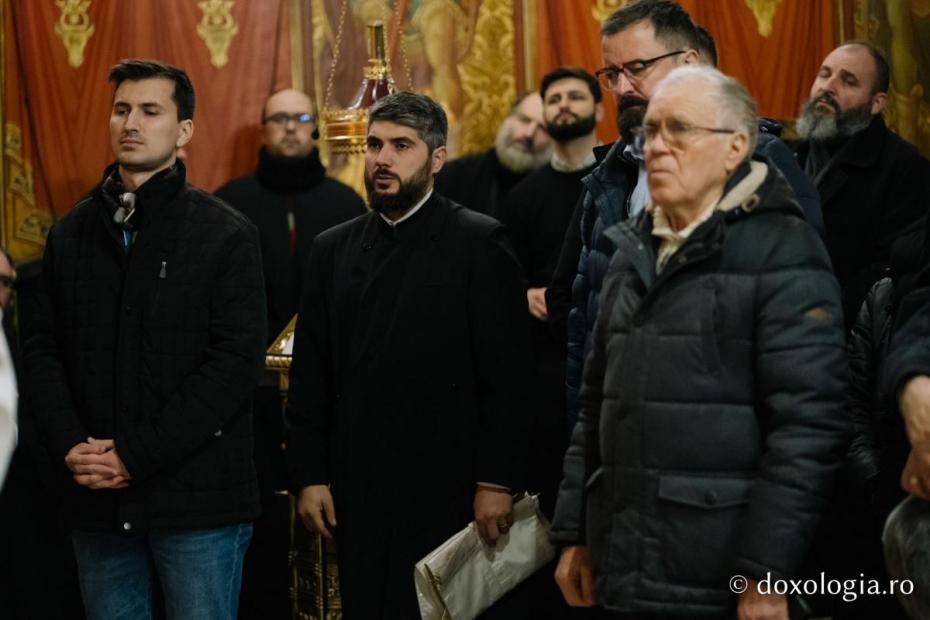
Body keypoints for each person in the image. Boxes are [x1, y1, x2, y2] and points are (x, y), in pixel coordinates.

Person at [551, 65, 849, 619]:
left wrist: (765, 572)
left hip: (720, 569)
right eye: (651, 131)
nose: (656, 146)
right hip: (623, 561)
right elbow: (594, 407)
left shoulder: (783, 249)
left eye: (679, 130)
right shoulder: (632, 250)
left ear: (735, 147)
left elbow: (809, 426)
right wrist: (574, 532)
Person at [23, 59, 267, 620]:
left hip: (198, 503)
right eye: (121, 110)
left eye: (150, 111)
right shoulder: (70, 233)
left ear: (183, 131)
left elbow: (232, 366)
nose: (130, 123)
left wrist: (134, 455)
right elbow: (40, 349)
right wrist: (71, 445)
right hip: (99, 499)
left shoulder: (226, 234)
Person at [285, 91, 533, 619]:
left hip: (450, 483)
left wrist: (496, 480)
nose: (383, 159)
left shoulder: (480, 242)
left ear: (437, 159)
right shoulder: (332, 249)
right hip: (359, 481)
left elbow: (509, 377)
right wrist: (309, 475)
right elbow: (311, 375)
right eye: (375, 145)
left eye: (402, 146)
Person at [545, 0, 823, 435]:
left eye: (637, 67)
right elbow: (582, 314)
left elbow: (801, 327)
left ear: (690, 63)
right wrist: (584, 441)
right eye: (612, 74)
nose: (623, 87)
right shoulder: (608, 175)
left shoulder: (759, 160)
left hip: (722, 436)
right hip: (620, 435)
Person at [214, 88, 364, 619]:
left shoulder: (346, 205)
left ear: (315, 128)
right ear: (263, 128)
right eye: (279, 118)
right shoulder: (229, 202)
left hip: (331, 392)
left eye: (301, 117)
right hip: (248, 397)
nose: (291, 127)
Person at [795, 41, 930, 329]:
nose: (828, 87)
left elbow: (891, 268)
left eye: (848, 81)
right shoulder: (789, 155)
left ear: (876, 103)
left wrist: (825, 315)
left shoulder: (905, 167)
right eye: (824, 74)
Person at [434, 91, 552, 217]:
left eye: (543, 128)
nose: (529, 134)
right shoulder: (451, 176)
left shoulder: (553, 192)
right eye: (525, 120)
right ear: (508, 118)